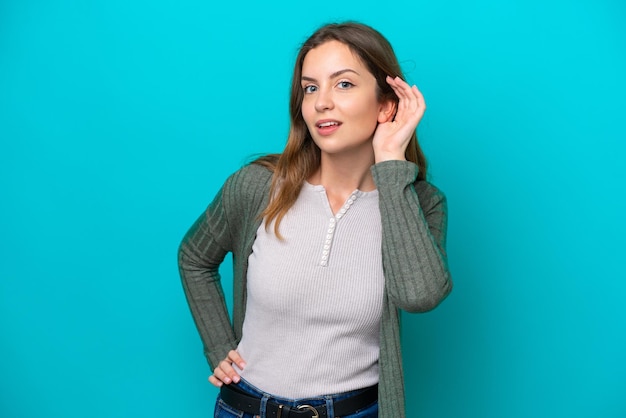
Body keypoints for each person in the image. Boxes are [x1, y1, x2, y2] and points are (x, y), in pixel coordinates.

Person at [178, 21, 452, 418]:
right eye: (310, 88)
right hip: (245, 409)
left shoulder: (419, 203)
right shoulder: (257, 187)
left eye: (343, 84)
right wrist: (219, 345)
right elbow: (194, 257)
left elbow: (420, 296)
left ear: (386, 104)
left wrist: (391, 164)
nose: (322, 102)